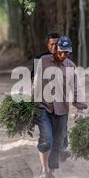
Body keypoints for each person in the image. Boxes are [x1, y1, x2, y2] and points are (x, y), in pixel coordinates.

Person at [33, 36, 87, 178]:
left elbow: (76, 87)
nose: (63, 56)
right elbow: (36, 83)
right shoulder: (43, 61)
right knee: (47, 140)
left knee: (58, 143)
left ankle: (51, 174)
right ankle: (44, 170)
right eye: (61, 52)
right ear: (56, 49)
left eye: (67, 53)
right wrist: (30, 105)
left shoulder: (71, 66)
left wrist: (80, 109)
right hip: (43, 107)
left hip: (62, 109)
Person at [31, 33, 71, 163]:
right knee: (47, 136)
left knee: (62, 131)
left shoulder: (65, 58)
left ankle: (61, 150)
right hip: (44, 103)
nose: (54, 47)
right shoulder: (41, 59)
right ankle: (46, 167)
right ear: (47, 45)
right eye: (51, 44)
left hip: (60, 103)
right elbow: (33, 79)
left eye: (56, 44)